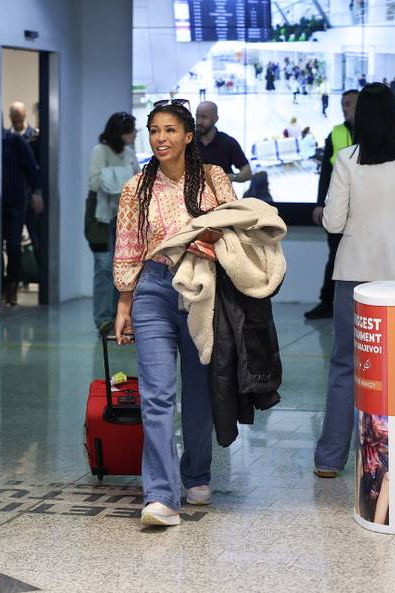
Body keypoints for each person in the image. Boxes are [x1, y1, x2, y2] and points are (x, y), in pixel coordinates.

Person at [314, 83, 395, 478]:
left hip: (353, 277)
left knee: (344, 366)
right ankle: (394, 458)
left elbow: (334, 221)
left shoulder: (346, 159)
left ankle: (329, 459)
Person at [113, 99, 237, 526]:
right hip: (153, 288)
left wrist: (209, 237)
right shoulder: (136, 187)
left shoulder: (213, 178)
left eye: (169, 130)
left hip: (203, 290)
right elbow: (128, 245)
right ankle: (161, 496)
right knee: (157, 394)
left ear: (188, 136)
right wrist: (124, 302)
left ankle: (197, 472)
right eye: (154, 130)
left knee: (200, 396)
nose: (160, 138)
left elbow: (237, 226)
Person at [304, 90, 359, 320]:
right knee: (336, 255)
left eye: (348, 104)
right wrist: (320, 204)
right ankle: (327, 302)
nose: (344, 108)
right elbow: (325, 173)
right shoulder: (335, 134)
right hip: (340, 207)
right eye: (342, 104)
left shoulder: (375, 135)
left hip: (366, 208)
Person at [87, 112, 140, 335]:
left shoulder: (129, 153)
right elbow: (95, 181)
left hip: (125, 217)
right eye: (131, 130)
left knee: (123, 268)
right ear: (121, 133)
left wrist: (119, 176)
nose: (135, 134)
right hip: (100, 216)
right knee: (103, 266)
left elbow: (137, 179)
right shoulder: (100, 151)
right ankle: (103, 320)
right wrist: (124, 176)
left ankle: (122, 316)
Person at [1, 118, 41, 305]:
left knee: (14, 246)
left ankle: (12, 285)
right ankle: (0, 287)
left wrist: (36, 192)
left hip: (15, 203)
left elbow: (32, 168)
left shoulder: (14, 141)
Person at [8, 101, 44, 290]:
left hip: (30, 197)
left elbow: (35, 168)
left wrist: (37, 192)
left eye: (20, 117)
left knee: (36, 239)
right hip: (14, 197)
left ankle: (42, 280)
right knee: (13, 243)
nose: (18, 120)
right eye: (14, 118)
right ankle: (17, 280)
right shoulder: (6, 139)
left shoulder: (35, 137)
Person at [195, 101, 252, 184]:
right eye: (197, 116)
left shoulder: (228, 143)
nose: (199, 122)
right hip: (193, 195)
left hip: (221, 195)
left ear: (215, 119)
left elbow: (247, 172)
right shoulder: (188, 141)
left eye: (204, 117)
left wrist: (230, 177)